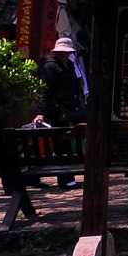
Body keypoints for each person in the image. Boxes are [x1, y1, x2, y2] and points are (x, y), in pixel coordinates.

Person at [34, 37, 86, 187]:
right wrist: (41, 112)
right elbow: (45, 91)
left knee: (68, 145)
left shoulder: (69, 65)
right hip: (57, 111)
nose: (64, 54)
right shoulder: (50, 67)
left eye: (66, 52)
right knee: (62, 146)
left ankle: (68, 178)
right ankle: (66, 180)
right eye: (61, 52)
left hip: (69, 109)